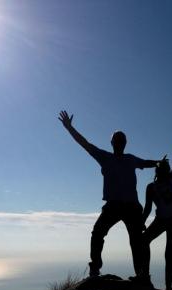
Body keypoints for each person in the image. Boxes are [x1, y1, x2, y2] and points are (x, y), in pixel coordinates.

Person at [58, 110, 161, 278]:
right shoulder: (104, 157)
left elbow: (146, 162)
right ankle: (95, 268)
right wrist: (70, 128)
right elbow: (84, 143)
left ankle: (142, 274)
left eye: (122, 141)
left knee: (136, 241)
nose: (119, 143)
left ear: (125, 143)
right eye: (117, 141)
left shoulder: (131, 159)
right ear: (112, 143)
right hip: (113, 205)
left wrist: (158, 163)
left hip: (132, 206)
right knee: (97, 233)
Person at [140, 131, 172, 290]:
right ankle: (145, 275)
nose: (166, 170)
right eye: (163, 168)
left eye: (167, 168)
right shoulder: (150, 187)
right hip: (162, 219)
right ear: (158, 170)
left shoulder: (170, 180)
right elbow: (147, 209)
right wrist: (141, 222)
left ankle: (168, 287)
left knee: (169, 253)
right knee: (144, 241)